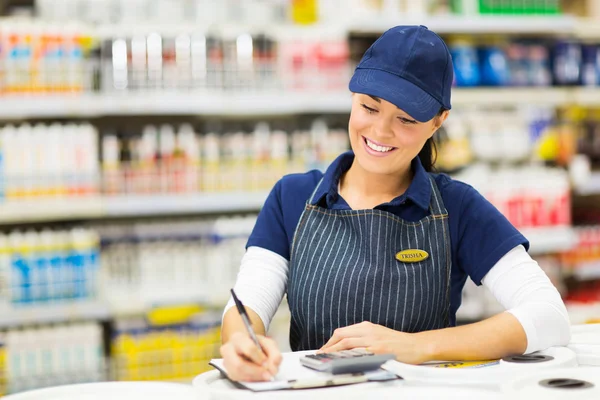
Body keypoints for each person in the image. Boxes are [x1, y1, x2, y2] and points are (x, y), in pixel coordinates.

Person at [219, 25, 571, 382]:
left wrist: (417, 346)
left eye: (405, 119)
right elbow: (247, 304)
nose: (381, 132)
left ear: (437, 122)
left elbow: (549, 315)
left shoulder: (458, 207)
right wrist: (241, 345)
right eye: (369, 107)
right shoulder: (292, 198)